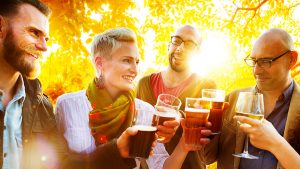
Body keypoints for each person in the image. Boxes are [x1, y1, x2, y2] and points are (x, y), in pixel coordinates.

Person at [55, 28, 173, 169]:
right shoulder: (67, 105)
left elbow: (160, 166)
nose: (135, 70)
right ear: (100, 64)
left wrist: (185, 145)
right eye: (126, 60)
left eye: (136, 62)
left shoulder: (146, 111)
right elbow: (59, 162)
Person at [201, 28, 300, 169]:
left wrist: (277, 144)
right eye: (254, 61)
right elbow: (207, 158)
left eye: (266, 61)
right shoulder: (233, 98)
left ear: (292, 59)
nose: (257, 70)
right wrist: (204, 131)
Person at [136, 24, 216, 169]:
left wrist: (180, 118)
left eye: (189, 45)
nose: (180, 48)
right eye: (176, 41)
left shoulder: (206, 86)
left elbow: (208, 136)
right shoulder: (144, 84)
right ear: (169, 45)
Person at [0, 1, 64, 168]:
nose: (44, 47)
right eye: (34, 33)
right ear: (1, 28)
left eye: (46, 39)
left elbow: (63, 162)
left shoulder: (42, 106)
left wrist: (116, 149)